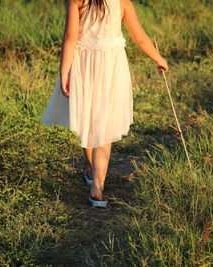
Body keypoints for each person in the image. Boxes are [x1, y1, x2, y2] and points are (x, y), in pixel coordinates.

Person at [40, 0, 168, 208]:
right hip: (111, 68)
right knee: (104, 127)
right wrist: (158, 58)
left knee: (87, 122)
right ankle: (97, 190)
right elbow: (140, 38)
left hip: (83, 66)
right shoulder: (122, 3)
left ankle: (93, 171)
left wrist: (64, 71)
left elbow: (70, 37)